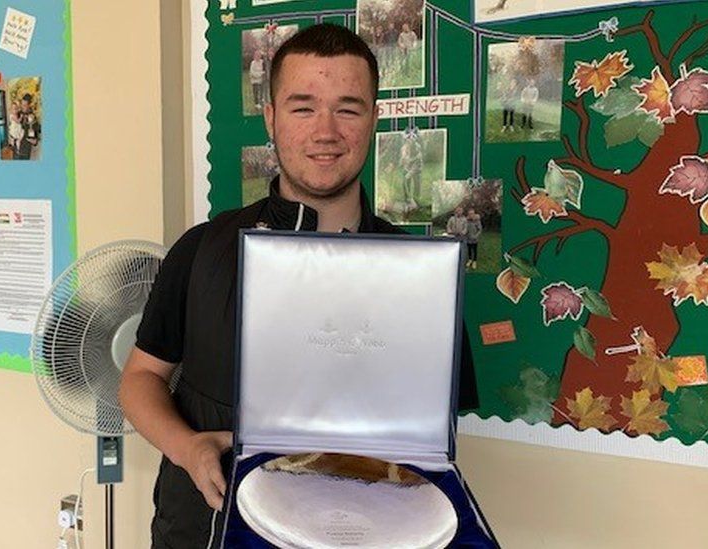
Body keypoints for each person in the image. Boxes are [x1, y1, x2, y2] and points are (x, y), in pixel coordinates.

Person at [118, 24, 478, 549]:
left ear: (374, 120)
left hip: (365, 532)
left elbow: (431, 435)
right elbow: (139, 378)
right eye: (302, 107)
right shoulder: (200, 250)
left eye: (348, 108)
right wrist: (187, 446)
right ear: (270, 117)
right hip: (204, 526)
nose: (325, 131)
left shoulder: (424, 276)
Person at [399, 136, 423, 213]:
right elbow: (404, 159)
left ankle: (417, 203)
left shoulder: (417, 147)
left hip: (417, 168)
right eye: (408, 139)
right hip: (407, 167)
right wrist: (402, 162)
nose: (410, 140)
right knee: (405, 183)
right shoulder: (403, 148)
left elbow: (418, 159)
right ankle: (408, 202)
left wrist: (411, 171)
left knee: (417, 185)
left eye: (412, 139)